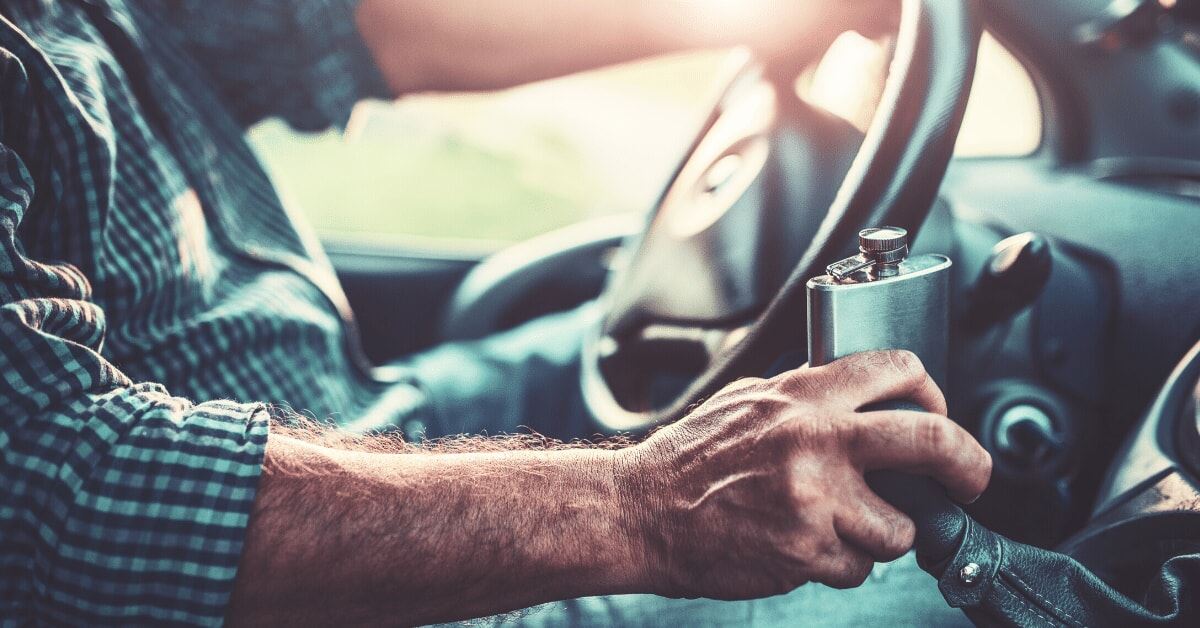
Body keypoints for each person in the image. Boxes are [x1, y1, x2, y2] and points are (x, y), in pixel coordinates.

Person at [0, 0, 991, 625]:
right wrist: (648, 504)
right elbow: (60, 494)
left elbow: (343, 32)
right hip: (307, 591)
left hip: (353, 411)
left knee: (632, 348)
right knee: (940, 596)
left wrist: (765, 11)